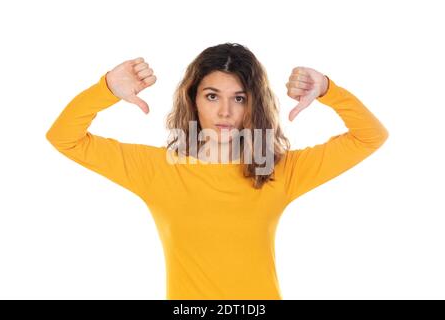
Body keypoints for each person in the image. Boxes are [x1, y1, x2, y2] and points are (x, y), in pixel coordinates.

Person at [46, 43, 389, 300]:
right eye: (212, 96)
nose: (225, 111)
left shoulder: (279, 170)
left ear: (253, 104)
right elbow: (65, 138)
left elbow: (370, 137)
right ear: (192, 99)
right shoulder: (158, 170)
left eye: (239, 98)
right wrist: (105, 88)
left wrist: (329, 90)